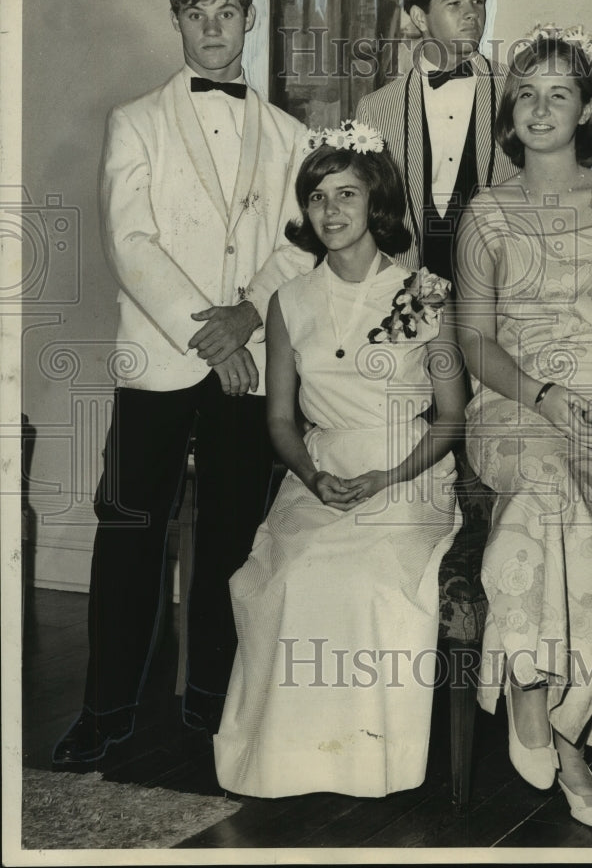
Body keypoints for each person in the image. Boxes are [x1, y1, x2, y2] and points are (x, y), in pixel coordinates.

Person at [52, 0, 306, 765]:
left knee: (235, 534)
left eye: (228, 11)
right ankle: (107, 707)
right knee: (129, 526)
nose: (213, 27)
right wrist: (212, 336)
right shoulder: (135, 121)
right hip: (160, 358)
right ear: (177, 21)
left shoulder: (292, 136)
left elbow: (301, 244)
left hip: (251, 359)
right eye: (197, 12)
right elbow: (132, 242)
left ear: (250, 19)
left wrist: (244, 322)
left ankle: (212, 700)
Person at [213, 123, 465, 798]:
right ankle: (291, 763)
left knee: (373, 582)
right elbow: (279, 419)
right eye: (318, 197)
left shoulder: (423, 294)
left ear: (375, 201)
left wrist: (389, 476)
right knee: (293, 573)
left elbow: (450, 416)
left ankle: (368, 763)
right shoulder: (287, 302)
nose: (330, 211)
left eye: (346, 194)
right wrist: (311, 475)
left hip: (408, 469)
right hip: (320, 471)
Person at [455, 25, 592, 828]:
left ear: (586, 111)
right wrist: (542, 395)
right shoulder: (488, 212)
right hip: (515, 400)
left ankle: (567, 728)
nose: (541, 108)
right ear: (511, 108)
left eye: (560, 94)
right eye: (528, 93)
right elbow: (474, 339)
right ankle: (531, 693)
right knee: (544, 491)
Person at [356, 0, 518, 284]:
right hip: (406, 296)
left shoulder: (518, 92)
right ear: (419, 17)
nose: (472, 13)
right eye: (455, 3)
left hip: (501, 289)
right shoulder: (376, 108)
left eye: (478, 0)